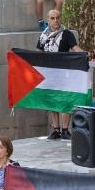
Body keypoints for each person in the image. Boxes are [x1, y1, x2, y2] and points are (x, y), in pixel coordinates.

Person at [36, 9, 81, 138]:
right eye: (53, 18)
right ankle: (56, 129)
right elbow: (38, 52)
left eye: (58, 18)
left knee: (64, 100)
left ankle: (65, 130)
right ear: (48, 20)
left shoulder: (67, 34)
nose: (56, 20)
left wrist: (84, 54)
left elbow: (75, 48)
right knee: (52, 101)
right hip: (49, 73)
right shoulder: (43, 35)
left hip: (64, 72)